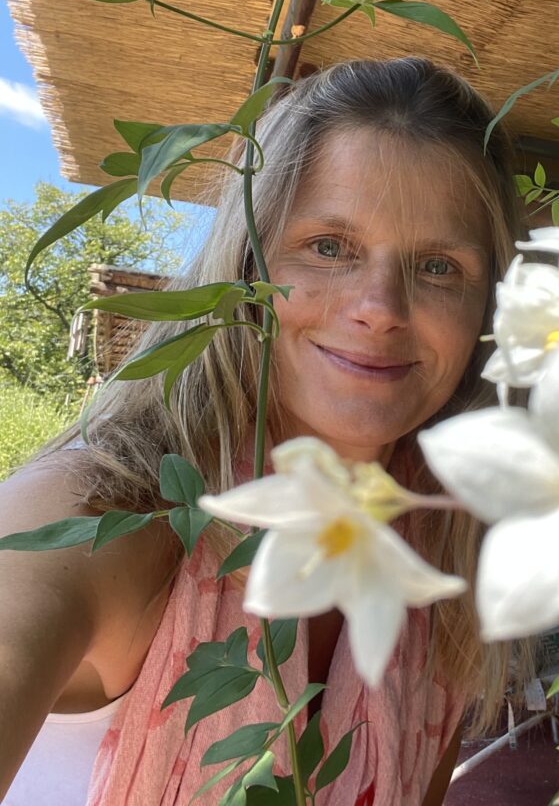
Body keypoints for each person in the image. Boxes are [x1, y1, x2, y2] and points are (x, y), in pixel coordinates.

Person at [0, 57, 526, 806]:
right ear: (248, 266)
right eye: (330, 246)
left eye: (439, 266)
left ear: (487, 315)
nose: (380, 306)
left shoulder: (446, 561)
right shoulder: (99, 515)